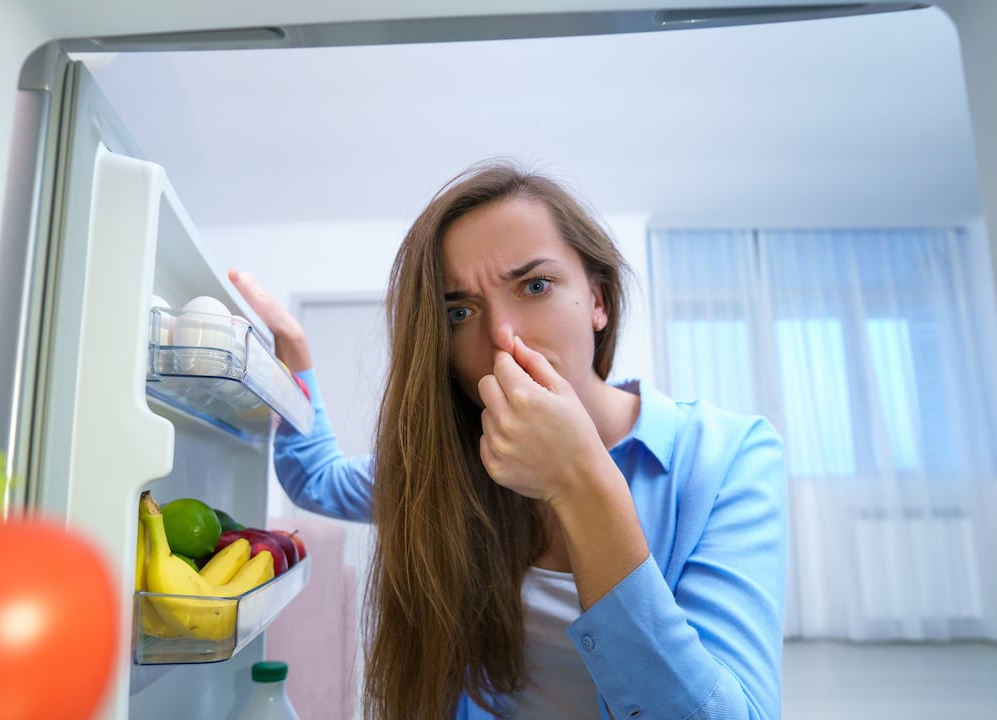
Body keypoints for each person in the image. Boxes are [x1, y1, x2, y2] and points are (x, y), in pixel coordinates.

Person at [229, 159, 786, 720]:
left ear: (598, 301)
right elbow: (316, 479)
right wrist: (295, 355)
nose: (501, 336)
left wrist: (581, 480)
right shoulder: (448, 466)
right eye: (459, 311)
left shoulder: (727, 458)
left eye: (535, 286)